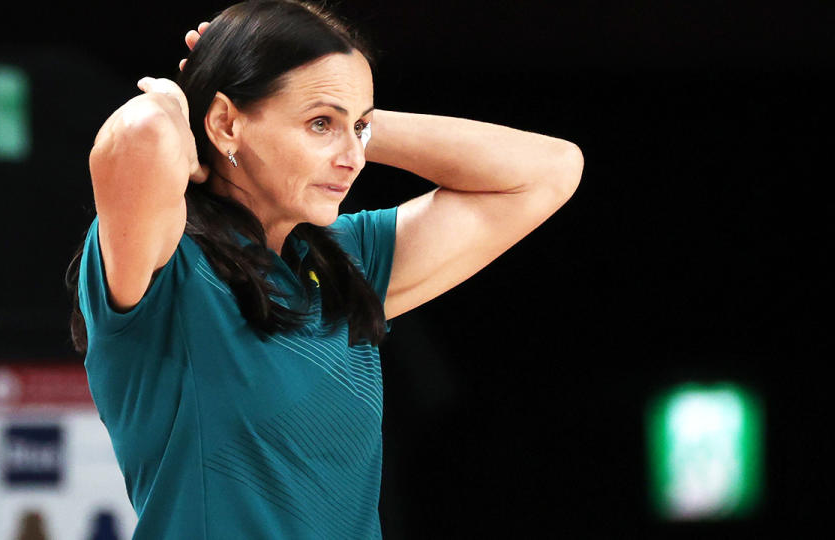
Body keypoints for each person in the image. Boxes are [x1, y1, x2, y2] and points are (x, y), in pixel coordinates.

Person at [65, 1, 583, 538]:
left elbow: (550, 171)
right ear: (225, 122)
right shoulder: (165, 267)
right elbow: (140, 132)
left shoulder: (347, 262)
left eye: (356, 128)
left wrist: (355, 119)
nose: (353, 157)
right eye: (318, 125)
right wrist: (180, 103)